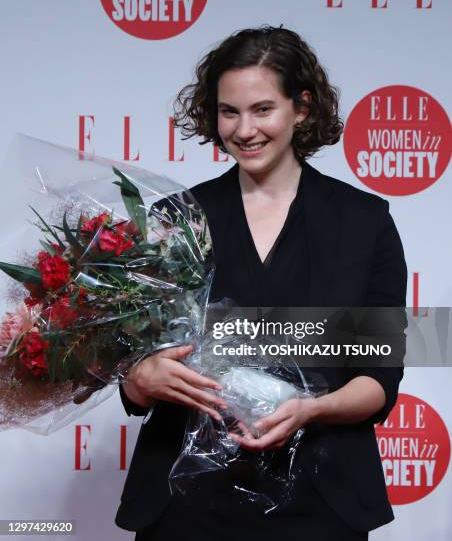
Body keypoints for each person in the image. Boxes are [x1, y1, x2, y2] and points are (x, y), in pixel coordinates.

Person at [115, 26, 407, 540]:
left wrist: (312, 409)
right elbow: (134, 371)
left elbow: (379, 381)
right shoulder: (176, 219)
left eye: (262, 109)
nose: (244, 129)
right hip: (186, 501)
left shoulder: (365, 222)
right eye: (230, 111)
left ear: (302, 108)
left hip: (321, 500)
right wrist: (141, 380)